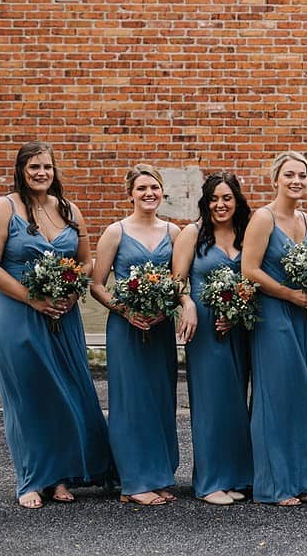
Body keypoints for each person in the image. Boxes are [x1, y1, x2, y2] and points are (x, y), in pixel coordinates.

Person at [0, 141, 113, 508]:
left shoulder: (68, 209)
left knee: (63, 394)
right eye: (34, 167)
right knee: (28, 397)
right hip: (17, 313)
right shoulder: (3, 208)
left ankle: (60, 478)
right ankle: (31, 479)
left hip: (62, 316)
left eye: (47, 167)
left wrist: (71, 289)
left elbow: (85, 261)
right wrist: (32, 297)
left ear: (55, 171)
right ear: (21, 170)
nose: (41, 173)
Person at [90, 164, 181, 506]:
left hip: (160, 327)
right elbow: (96, 285)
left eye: (154, 188)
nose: (149, 194)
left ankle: (157, 475)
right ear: (130, 194)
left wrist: (165, 306)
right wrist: (125, 310)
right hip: (126, 327)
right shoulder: (116, 232)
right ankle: (134, 482)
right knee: (130, 403)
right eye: (141, 188)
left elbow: (179, 280)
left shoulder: (173, 232)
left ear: (162, 192)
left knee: (160, 400)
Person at [241, 151, 307, 507]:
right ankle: (274, 484)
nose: (296, 181)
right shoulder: (263, 218)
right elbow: (250, 269)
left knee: (300, 396)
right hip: (273, 314)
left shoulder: (306, 218)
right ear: (276, 179)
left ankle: (300, 477)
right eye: (289, 175)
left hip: (301, 316)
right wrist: (289, 293)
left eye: (302, 175)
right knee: (275, 397)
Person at [172, 172, 253, 506]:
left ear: (237, 201)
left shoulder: (247, 233)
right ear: (205, 203)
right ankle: (209, 482)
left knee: (235, 402)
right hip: (204, 328)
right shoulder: (193, 233)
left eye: (227, 198)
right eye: (214, 199)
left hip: (239, 327)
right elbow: (176, 281)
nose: (221, 205)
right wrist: (188, 303)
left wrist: (238, 311)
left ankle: (234, 476)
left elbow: (254, 278)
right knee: (210, 404)